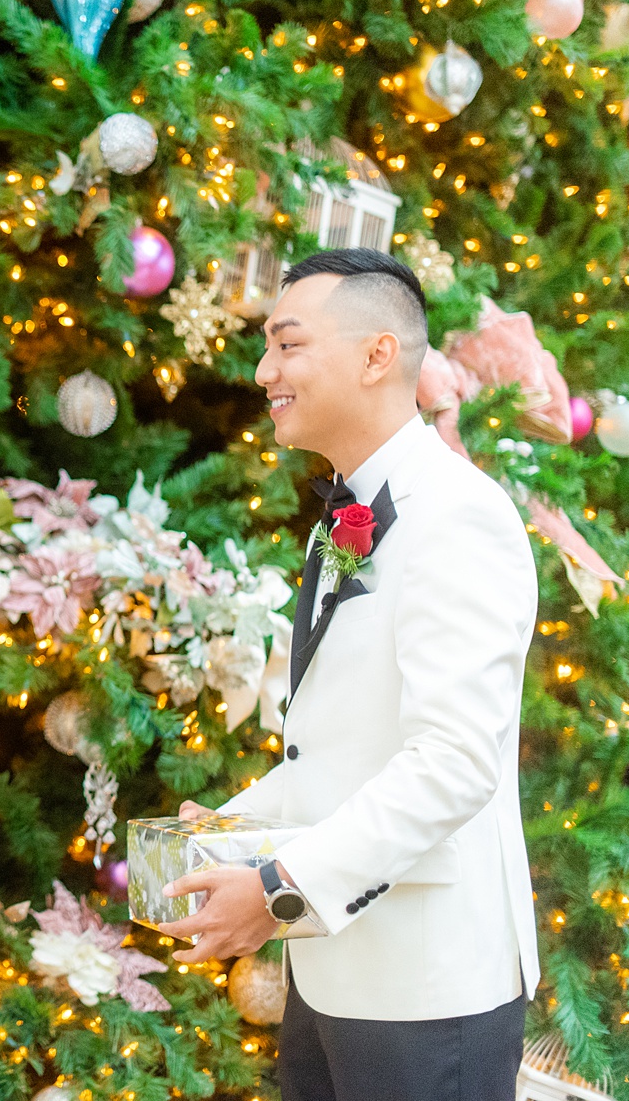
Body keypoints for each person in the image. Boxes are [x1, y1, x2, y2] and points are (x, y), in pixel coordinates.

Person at [159, 249, 539, 1101]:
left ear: (376, 355)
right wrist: (232, 824)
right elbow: (344, 746)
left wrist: (279, 892)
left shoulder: (460, 515)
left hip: (427, 990)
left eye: (287, 345)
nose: (264, 371)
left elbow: (452, 763)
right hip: (332, 970)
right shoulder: (346, 512)